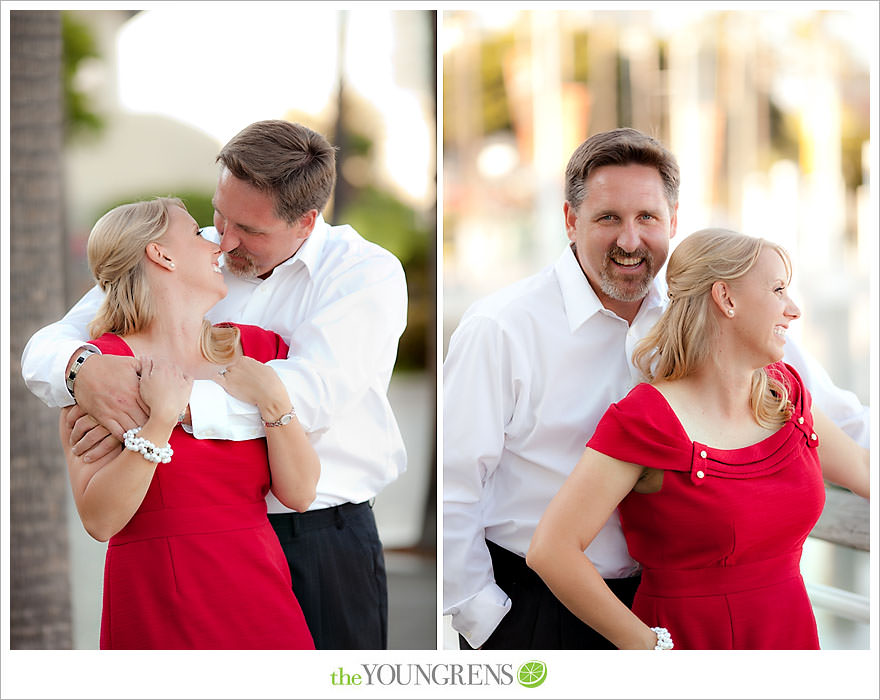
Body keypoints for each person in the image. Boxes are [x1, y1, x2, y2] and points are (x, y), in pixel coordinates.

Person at [442, 128, 870, 650]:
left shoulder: (714, 314)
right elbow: (455, 484)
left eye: (647, 218)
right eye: (608, 218)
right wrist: (487, 620)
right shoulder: (501, 327)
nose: (629, 240)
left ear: (673, 222)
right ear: (571, 222)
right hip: (537, 610)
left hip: (668, 605)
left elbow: (837, 420)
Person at [21, 120, 408, 650]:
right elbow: (51, 345)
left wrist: (156, 408)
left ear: (305, 222)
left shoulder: (364, 275)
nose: (223, 241)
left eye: (248, 229)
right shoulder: (183, 255)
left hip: (320, 536)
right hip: (178, 562)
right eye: (218, 215)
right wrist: (80, 370)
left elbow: (310, 395)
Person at [527, 228, 869, 649]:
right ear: (726, 299)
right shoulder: (644, 420)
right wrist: (649, 648)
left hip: (792, 638)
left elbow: (865, 470)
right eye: (779, 290)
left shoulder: (786, 395)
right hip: (692, 646)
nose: (793, 309)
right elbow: (552, 549)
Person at [64, 197, 320, 649]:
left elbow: (299, 494)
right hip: (158, 597)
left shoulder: (258, 348)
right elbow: (101, 521)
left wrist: (273, 396)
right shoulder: (103, 372)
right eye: (199, 233)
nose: (217, 244)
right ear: (161, 255)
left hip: (262, 592)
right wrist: (160, 420)